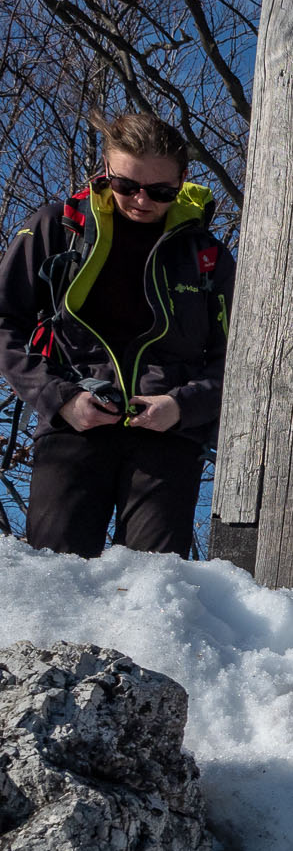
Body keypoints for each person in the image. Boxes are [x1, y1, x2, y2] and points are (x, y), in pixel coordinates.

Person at [0, 112, 235, 557]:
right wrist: (59, 398)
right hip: (72, 424)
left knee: (154, 586)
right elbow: (4, 320)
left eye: (161, 191)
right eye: (126, 185)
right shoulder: (59, 228)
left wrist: (182, 406)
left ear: (183, 180)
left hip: (168, 435)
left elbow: (240, 361)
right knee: (57, 573)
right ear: (105, 172)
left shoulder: (207, 256)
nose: (141, 200)